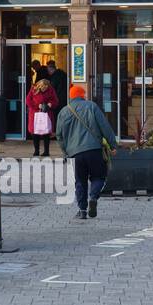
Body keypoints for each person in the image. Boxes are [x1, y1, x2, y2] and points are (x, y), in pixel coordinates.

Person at [56, 83, 118, 219]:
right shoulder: (92, 106)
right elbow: (105, 127)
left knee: (80, 181)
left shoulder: (64, 111)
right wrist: (113, 145)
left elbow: (59, 136)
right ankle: (93, 197)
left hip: (75, 153)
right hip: (94, 150)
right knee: (99, 177)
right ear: (82, 96)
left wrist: (66, 152)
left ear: (71, 97)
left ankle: (82, 210)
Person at [25, 77, 60, 157]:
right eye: (43, 87)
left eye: (46, 87)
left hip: (46, 114)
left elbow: (55, 100)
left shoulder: (51, 90)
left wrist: (50, 104)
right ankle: (36, 151)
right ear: (40, 85)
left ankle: (46, 151)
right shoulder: (33, 89)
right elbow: (28, 101)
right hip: (35, 114)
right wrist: (37, 106)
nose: (45, 88)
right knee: (35, 133)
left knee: (46, 133)